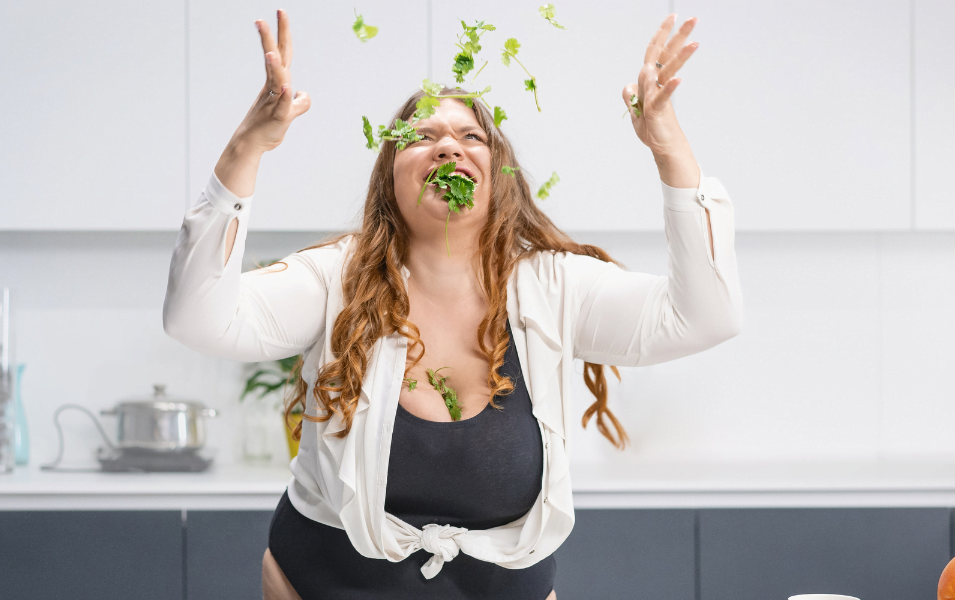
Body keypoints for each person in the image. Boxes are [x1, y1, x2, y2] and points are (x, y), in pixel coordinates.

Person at [163, 8, 742, 600]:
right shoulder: (335, 278)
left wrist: (667, 147)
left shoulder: (553, 287)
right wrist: (248, 146)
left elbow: (706, 315)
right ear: (389, 175)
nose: (449, 147)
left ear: (500, 176)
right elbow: (197, 318)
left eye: (471, 137)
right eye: (421, 136)